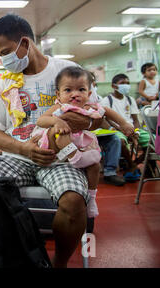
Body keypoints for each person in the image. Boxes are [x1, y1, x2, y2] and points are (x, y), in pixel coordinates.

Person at [0, 14, 104, 268]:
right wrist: (24, 149)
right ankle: (10, 257)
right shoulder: (3, 85)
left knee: (74, 200)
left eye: (7, 52)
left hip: (62, 159)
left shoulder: (68, 71)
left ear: (25, 43)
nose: (3, 60)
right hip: (16, 157)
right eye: (0, 55)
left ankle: (59, 263)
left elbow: (99, 119)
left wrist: (83, 123)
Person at [33, 67, 134, 218]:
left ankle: (92, 198)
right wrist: (56, 121)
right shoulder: (60, 108)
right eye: (68, 90)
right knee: (61, 133)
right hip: (59, 146)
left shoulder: (90, 107)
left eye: (81, 89)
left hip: (80, 144)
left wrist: (124, 124)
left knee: (94, 166)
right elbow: (41, 120)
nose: (75, 94)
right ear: (58, 94)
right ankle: (77, 158)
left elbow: (107, 111)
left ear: (89, 93)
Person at [100, 74, 150, 181]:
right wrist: (122, 130)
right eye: (122, 83)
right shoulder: (107, 100)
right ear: (114, 86)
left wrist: (136, 131)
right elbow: (107, 119)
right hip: (117, 129)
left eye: (127, 83)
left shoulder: (130, 99)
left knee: (152, 140)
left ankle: (138, 164)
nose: (126, 85)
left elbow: (135, 120)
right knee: (120, 140)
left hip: (132, 129)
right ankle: (130, 164)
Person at [88, 72, 126, 186]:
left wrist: (113, 127)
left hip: (96, 131)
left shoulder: (97, 98)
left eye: (93, 81)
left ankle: (110, 172)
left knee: (114, 139)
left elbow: (103, 114)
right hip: (80, 134)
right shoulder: (74, 96)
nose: (93, 83)